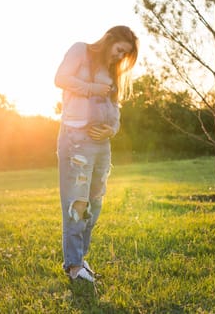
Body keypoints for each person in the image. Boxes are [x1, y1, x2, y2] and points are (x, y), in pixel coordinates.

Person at [55, 25, 139, 282]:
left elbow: (115, 108)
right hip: (76, 138)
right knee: (76, 204)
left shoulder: (112, 72)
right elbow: (60, 79)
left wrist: (111, 130)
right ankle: (73, 267)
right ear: (109, 39)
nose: (119, 57)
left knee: (95, 205)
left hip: (102, 145)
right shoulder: (81, 50)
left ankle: (80, 260)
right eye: (119, 50)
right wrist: (91, 88)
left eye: (124, 54)